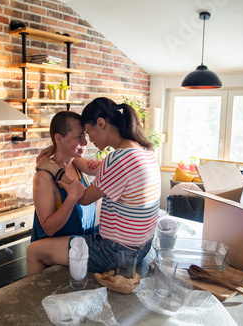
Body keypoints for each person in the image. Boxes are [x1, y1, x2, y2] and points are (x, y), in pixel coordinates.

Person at [27, 97, 161, 276]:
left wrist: (53, 167)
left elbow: (81, 197)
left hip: (116, 252)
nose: (88, 141)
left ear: (101, 124)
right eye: (80, 136)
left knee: (33, 250)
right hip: (142, 247)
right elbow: (95, 169)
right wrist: (56, 148)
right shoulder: (145, 152)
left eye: (88, 133)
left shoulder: (118, 159)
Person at [31, 111, 100, 242]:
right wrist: (71, 199)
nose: (85, 142)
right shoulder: (44, 177)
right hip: (55, 260)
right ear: (58, 139)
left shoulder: (78, 164)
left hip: (81, 253)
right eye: (79, 137)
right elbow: (49, 229)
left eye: (84, 135)